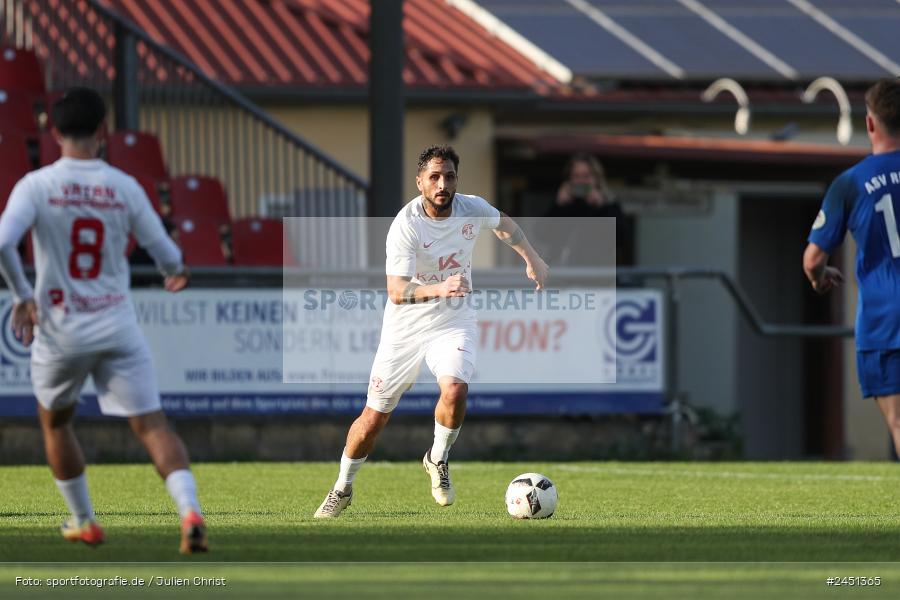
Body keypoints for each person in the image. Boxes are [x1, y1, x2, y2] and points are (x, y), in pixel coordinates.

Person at [0, 88, 208, 554]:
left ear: (53, 133)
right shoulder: (124, 186)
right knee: (153, 425)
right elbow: (168, 254)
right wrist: (175, 272)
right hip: (116, 326)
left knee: (56, 424)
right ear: (102, 131)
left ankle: (84, 521)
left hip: (59, 330)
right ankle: (189, 511)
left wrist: (21, 296)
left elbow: (2, 244)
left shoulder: (36, 185)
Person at [314, 145, 549, 517]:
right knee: (373, 419)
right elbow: (397, 291)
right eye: (435, 177)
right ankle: (342, 487)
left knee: (455, 389)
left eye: (450, 176)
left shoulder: (471, 208)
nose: (443, 184)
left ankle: (437, 458)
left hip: (453, 321)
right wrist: (440, 288)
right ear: (420, 182)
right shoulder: (406, 225)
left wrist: (533, 258)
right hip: (404, 330)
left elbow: (506, 225)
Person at [803, 77, 900, 458]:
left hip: (886, 319)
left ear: (870, 123)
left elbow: (813, 259)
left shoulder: (851, 183)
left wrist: (818, 277)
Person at [545, 154, 633, 266]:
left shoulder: (609, 204)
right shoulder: (564, 205)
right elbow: (543, 235)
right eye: (576, 176)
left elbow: (622, 239)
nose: (581, 181)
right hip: (565, 272)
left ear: (597, 179)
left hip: (597, 272)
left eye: (586, 176)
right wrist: (559, 206)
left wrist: (601, 207)